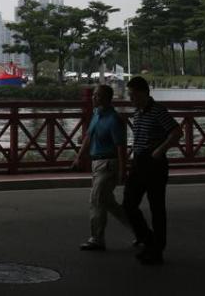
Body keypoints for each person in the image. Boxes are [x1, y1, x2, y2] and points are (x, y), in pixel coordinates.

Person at [122, 76, 181, 265]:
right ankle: (149, 240)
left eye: (133, 95)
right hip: (138, 161)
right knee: (128, 204)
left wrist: (160, 150)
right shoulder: (137, 113)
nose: (130, 99)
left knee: (157, 208)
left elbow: (176, 132)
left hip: (154, 163)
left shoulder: (158, 111)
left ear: (143, 93)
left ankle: (156, 249)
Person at [72, 84, 132, 251]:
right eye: (94, 95)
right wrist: (78, 158)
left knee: (96, 200)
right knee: (109, 203)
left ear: (107, 98)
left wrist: (122, 169)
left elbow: (120, 147)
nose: (94, 98)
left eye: (97, 96)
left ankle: (97, 238)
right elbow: (88, 137)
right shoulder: (97, 114)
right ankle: (140, 231)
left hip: (108, 164)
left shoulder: (114, 119)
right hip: (96, 163)